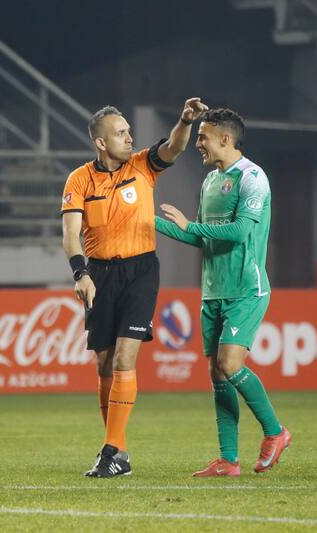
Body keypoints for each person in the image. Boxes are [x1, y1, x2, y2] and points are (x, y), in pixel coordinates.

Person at [60, 97, 207, 478]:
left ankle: (110, 449)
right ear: (100, 142)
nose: (129, 138)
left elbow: (173, 146)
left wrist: (185, 120)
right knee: (104, 363)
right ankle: (119, 452)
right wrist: (81, 274)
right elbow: (71, 235)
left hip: (141, 270)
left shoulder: (143, 165)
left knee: (126, 358)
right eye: (121, 133)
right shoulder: (79, 179)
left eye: (128, 132)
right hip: (100, 274)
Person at [155, 108, 290, 477]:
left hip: (247, 288)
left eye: (203, 137)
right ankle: (228, 460)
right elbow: (198, 236)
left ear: (225, 140)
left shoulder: (253, 178)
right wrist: (146, 222)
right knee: (217, 374)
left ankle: (276, 432)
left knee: (230, 365)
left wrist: (192, 223)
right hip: (212, 292)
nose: (198, 143)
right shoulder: (210, 181)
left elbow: (241, 231)